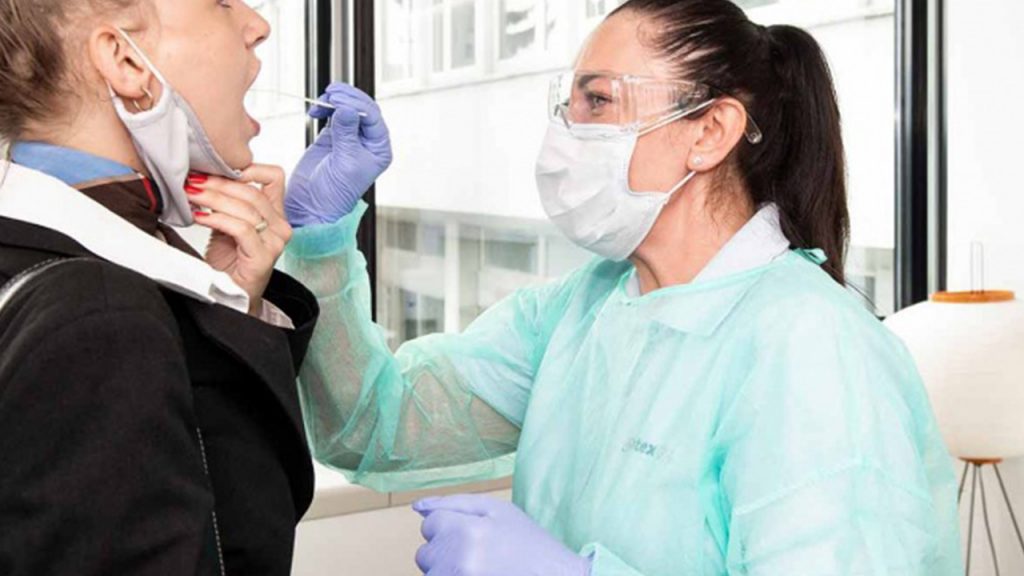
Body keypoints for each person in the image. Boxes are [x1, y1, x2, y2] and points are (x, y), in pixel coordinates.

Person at [281, 0, 962, 574]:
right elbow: (375, 425)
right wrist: (322, 240)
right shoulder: (580, 312)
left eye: (598, 100)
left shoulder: (815, 350)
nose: (565, 132)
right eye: (568, 104)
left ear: (711, 131)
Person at [0, 1, 386, 574]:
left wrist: (232, 307)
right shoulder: (100, 321)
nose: (259, 25)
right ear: (125, 61)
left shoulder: (58, 267)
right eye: (222, 2)